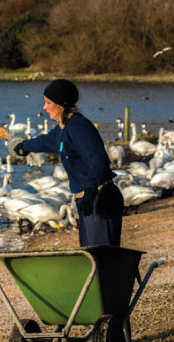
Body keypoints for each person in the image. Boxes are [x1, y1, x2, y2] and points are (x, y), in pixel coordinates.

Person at [7, 79, 124, 247]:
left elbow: (97, 158)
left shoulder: (78, 127)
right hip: (88, 199)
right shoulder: (65, 128)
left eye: (48, 103)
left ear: (61, 105)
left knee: (102, 259)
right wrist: (25, 147)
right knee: (91, 257)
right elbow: (48, 141)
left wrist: (90, 191)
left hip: (100, 199)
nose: (44, 107)